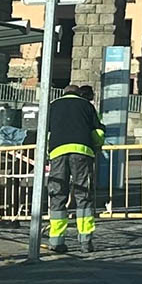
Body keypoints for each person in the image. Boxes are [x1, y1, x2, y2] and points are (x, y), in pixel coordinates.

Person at [46, 83, 105, 254]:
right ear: (79, 94)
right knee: (83, 195)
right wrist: (97, 145)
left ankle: (56, 240)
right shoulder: (87, 106)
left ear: (63, 93)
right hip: (82, 152)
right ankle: (85, 241)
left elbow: (46, 132)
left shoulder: (52, 106)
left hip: (58, 152)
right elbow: (98, 132)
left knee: (57, 194)